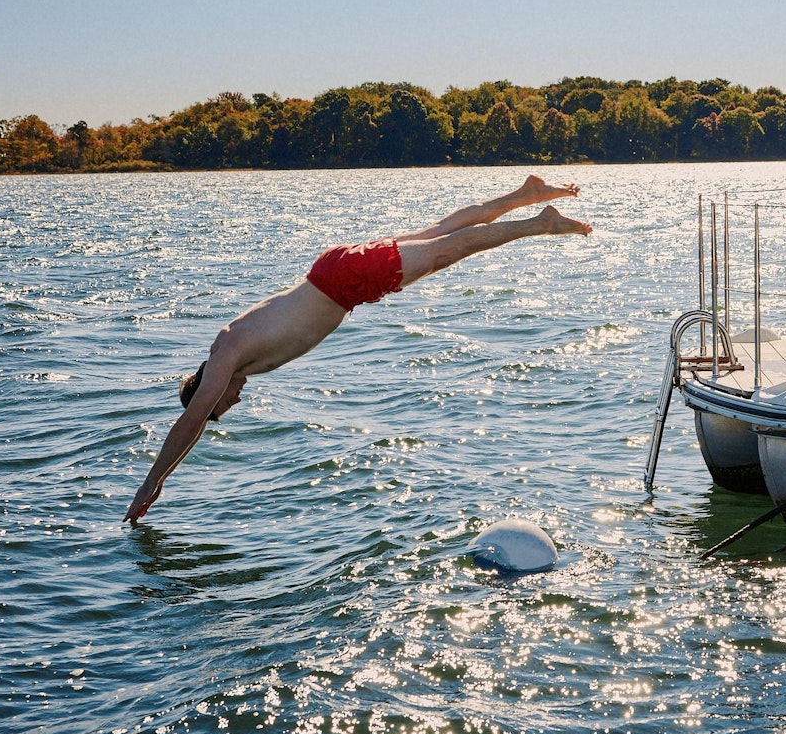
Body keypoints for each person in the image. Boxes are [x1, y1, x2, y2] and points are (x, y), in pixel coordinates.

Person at [124, 175, 591, 522]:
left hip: (345, 281)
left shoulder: (224, 356)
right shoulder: (237, 356)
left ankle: (540, 222)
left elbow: (190, 423)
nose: (234, 401)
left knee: (451, 249)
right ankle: (525, 194)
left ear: (208, 387)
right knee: (439, 234)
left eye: (223, 405)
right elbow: (197, 422)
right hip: (338, 275)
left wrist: (153, 481)